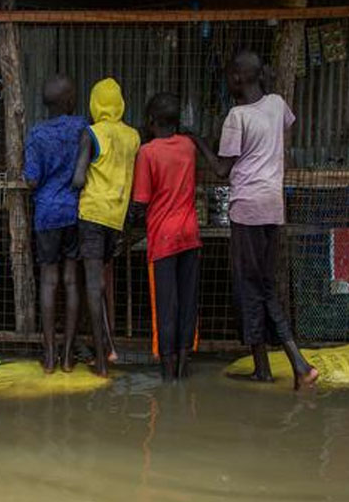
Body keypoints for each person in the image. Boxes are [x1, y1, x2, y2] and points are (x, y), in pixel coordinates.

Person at [186, 50, 319, 390]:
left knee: (254, 288)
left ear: (239, 78)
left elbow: (221, 169)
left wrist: (197, 140)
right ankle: (262, 366)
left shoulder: (237, 116)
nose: (228, 81)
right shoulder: (276, 104)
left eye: (230, 75)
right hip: (273, 207)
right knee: (262, 285)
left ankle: (299, 362)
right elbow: (286, 122)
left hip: (247, 208)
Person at [72, 77, 141, 376]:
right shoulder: (133, 136)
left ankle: (101, 360)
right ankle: (110, 346)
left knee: (91, 283)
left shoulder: (91, 133)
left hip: (92, 215)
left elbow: (77, 178)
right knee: (100, 282)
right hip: (117, 217)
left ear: (94, 104)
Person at [131, 92, 201, 381]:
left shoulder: (148, 153)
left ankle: (168, 373)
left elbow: (140, 201)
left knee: (165, 305)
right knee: (187, 302)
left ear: (150, 121)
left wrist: (126, 227)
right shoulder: (188, 146)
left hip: (163, 237)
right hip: (190, 233)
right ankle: (184, 366)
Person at [23, 75, 87, 373]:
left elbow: (32, 179)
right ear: (70, 101)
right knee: (72, 281)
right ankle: (68, 357)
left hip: (47, 214)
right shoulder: (82, 128)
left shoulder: (37, 134)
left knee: (49, 281)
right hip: (75, 212)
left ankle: (48, 357)